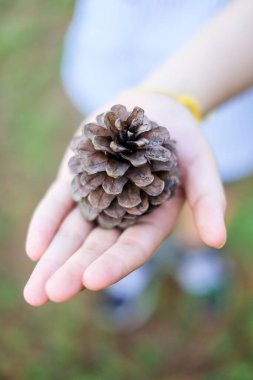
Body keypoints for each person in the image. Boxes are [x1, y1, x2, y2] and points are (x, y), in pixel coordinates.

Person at [24, 0, 253, 329]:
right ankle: (133, 269)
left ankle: (197, 253)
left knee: (217, 180)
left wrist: (176, 93)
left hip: (231, 62)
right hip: (112, 47)